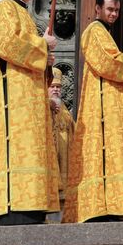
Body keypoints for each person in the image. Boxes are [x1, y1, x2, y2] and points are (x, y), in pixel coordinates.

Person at [0, 0, 60, 225]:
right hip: (12, 104)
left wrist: (46, 62)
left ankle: (32, 205)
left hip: (29, 101)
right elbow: (4, 44)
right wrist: (42, 45)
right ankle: (15, 208)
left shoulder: (25, 15)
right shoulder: (5, 8)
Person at [63, 0, 123, 223]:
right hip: (100, 108)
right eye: (110, 9)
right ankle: (100, 206)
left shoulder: (105, 33)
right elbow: (106, 63)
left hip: (111, 105)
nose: (113, 14)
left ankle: (114, 204)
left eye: (117, 11)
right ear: (97, 8)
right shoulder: (93, 31)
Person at [45, 66, 76, 223]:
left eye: (58, 87)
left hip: (65, 164)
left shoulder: (65, 110)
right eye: (52, 87)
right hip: (50, 162)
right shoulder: (41, 106)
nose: (56, 90)